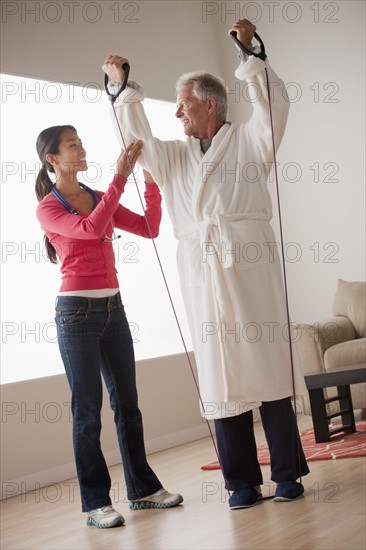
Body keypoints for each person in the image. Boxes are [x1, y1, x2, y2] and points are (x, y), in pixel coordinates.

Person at [102, 18, 310, 510]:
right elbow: (137, 142)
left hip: (247, 258)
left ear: (210, 103)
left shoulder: (251, 141)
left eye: (185, 104)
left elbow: (275, 106)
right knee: (219, 372)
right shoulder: (173, 157)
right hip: (201, 265)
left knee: (268, 365)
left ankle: (286, 473)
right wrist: (121, 89)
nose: (177, 113)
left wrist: (251, 54)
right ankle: (240, 482)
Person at [35, 125, 183, 528]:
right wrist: (120, 176)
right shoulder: (49, 207)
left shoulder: (100, 197)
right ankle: (96, 504)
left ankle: (144, 491)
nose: (81, 149)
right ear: (52, 159)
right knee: (88, 412)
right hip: (76, 316)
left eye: (81, 142)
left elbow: (150, 227)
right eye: (72, 145)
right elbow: (90, 229)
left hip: (113, 311)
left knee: (128, 407)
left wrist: (151, 184)